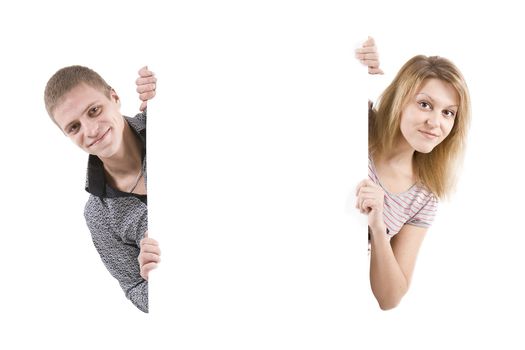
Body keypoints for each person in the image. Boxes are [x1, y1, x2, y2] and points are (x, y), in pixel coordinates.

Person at [355, 38, 471, 310]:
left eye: (448, 113)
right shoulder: (359, 121)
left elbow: (390, 297)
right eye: (425, 104)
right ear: (400, 99)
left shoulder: (422, 199)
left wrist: (378, 226)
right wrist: (353, 64)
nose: (436, 123)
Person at [44, 66, 160, 313]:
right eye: (74, 127)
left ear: (114, 97)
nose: (91, 130)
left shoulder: (165, 123)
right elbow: (136, 290)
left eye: (94, 111)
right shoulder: (99, 215)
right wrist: (155, 277)